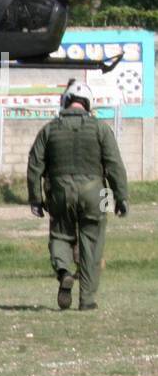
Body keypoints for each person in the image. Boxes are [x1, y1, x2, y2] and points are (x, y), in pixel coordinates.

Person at [26, 80, 128, 310]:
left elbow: (34, 165)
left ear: (65, 102)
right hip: (97, 192)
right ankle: (87, 300)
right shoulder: (101, 128)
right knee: (93, 243)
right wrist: (121, 197)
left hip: (60, 191)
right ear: (88, 104)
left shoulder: (49, 129)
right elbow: (114, 165)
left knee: (61, 235)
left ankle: (63, 271)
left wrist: (35, 198)